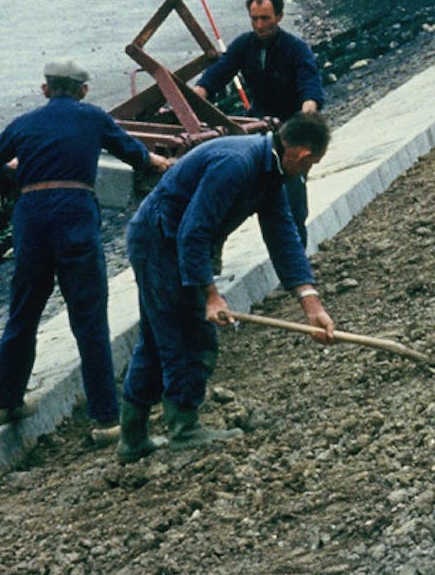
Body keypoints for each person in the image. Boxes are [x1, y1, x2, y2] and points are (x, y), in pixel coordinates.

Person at [0, 59, 171, 444]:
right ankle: (105, 419)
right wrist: (158, 161)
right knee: (89, 318)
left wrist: (18, 185)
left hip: (30, 220)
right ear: (83, 90)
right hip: (75, 216)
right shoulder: (92, 118)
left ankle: (1, 400)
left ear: (45, 89)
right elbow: (131, 152)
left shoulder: (24, 123)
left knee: (24, 311)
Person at [117, 112, 336, 463]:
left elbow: (283, 237)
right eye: (312, 162)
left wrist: (312, 304)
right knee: (189, 333)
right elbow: (194, 230)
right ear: (300, 152)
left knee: (160, 338)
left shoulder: (270, 172)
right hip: (160, 239)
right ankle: (183, 429)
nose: (308, 171)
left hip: (174, 240)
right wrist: (210, 295)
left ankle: (133, 439)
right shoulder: (236, 164)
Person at [191, 0, 324, 247]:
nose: (260, 25)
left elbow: (310, 85)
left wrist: (307, 116)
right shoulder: (244, 45)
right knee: (236, 192)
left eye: (265, 18)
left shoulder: (296, 49)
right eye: (254, 19)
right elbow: (218, 73)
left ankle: (299, 257)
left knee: (292, 199)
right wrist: (195, 96)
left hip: (290, 130)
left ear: (279, 16)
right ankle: (214, 247)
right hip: (258, 131)